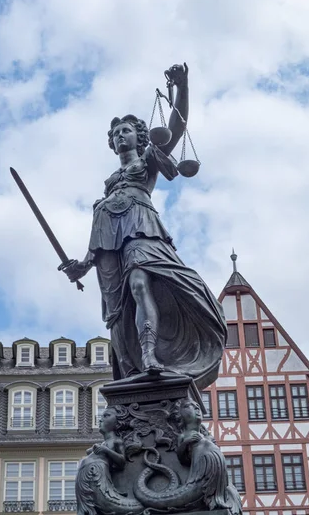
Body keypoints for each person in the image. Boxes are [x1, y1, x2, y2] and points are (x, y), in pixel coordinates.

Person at [62, 64, 226, 385]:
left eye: (125, 130)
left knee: (139, 284)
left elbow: (176, 128)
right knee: (117, 312)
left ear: (139, 135)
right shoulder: (110, 183)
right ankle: (132, 365)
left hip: (142, 229)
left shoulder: (147, 160)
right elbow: (101, 233)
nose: (119, 135)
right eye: (114, 134)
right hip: (111, 244)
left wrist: (183, 87)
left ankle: (150, 352)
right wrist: (82, 266)